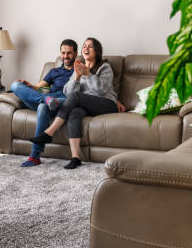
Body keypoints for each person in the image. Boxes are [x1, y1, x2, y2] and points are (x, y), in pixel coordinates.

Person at [30, 37, 118, 169]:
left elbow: (101, 89)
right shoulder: (79, 67)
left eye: (90, 46)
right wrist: (76, 77)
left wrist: (87, 75)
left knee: (77, 97)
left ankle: (49, 132)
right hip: (88, 105)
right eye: (84, 46)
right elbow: (67, 92)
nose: (86, 48)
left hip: (107, 104)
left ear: (97, 51)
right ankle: (76, 157)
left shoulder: (105, 67)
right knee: (74, 112)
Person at [10, 39, 78, 167]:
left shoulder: (78, 71)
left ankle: (35, 156)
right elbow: (39, 87)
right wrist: (30, 86)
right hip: (49, 98)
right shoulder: (54, 71)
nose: (65, 56)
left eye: (69, 53)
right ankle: (45, 99)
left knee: (42, 107)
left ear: (75, 53)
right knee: (15, 85)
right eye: (63, 53)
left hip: (64, 101)